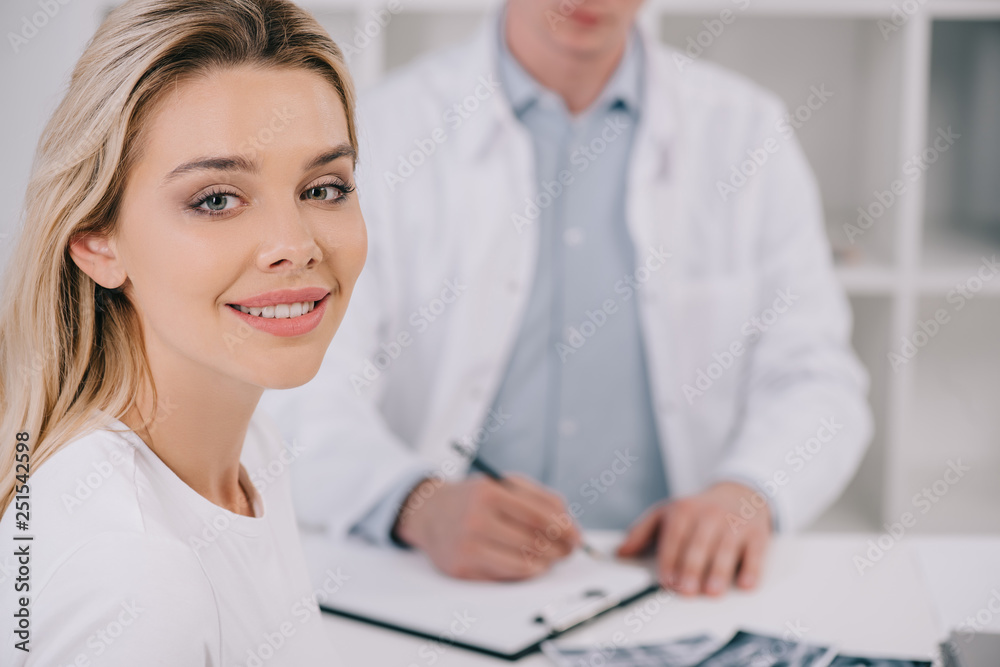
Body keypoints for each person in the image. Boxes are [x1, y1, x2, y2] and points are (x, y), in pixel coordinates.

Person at [260, 0, 872, 596]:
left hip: (668, 586)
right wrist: (415, 502)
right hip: (447, 585)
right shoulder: (386, 132)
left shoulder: (744, 133)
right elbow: (302, 379)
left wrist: (750, 491)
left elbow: (816, 377)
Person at [0, 0, 366, 664]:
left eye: (324, 188)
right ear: (97, 239)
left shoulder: (249, 445)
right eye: (217, 199)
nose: (295, 245)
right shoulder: (135, 579)